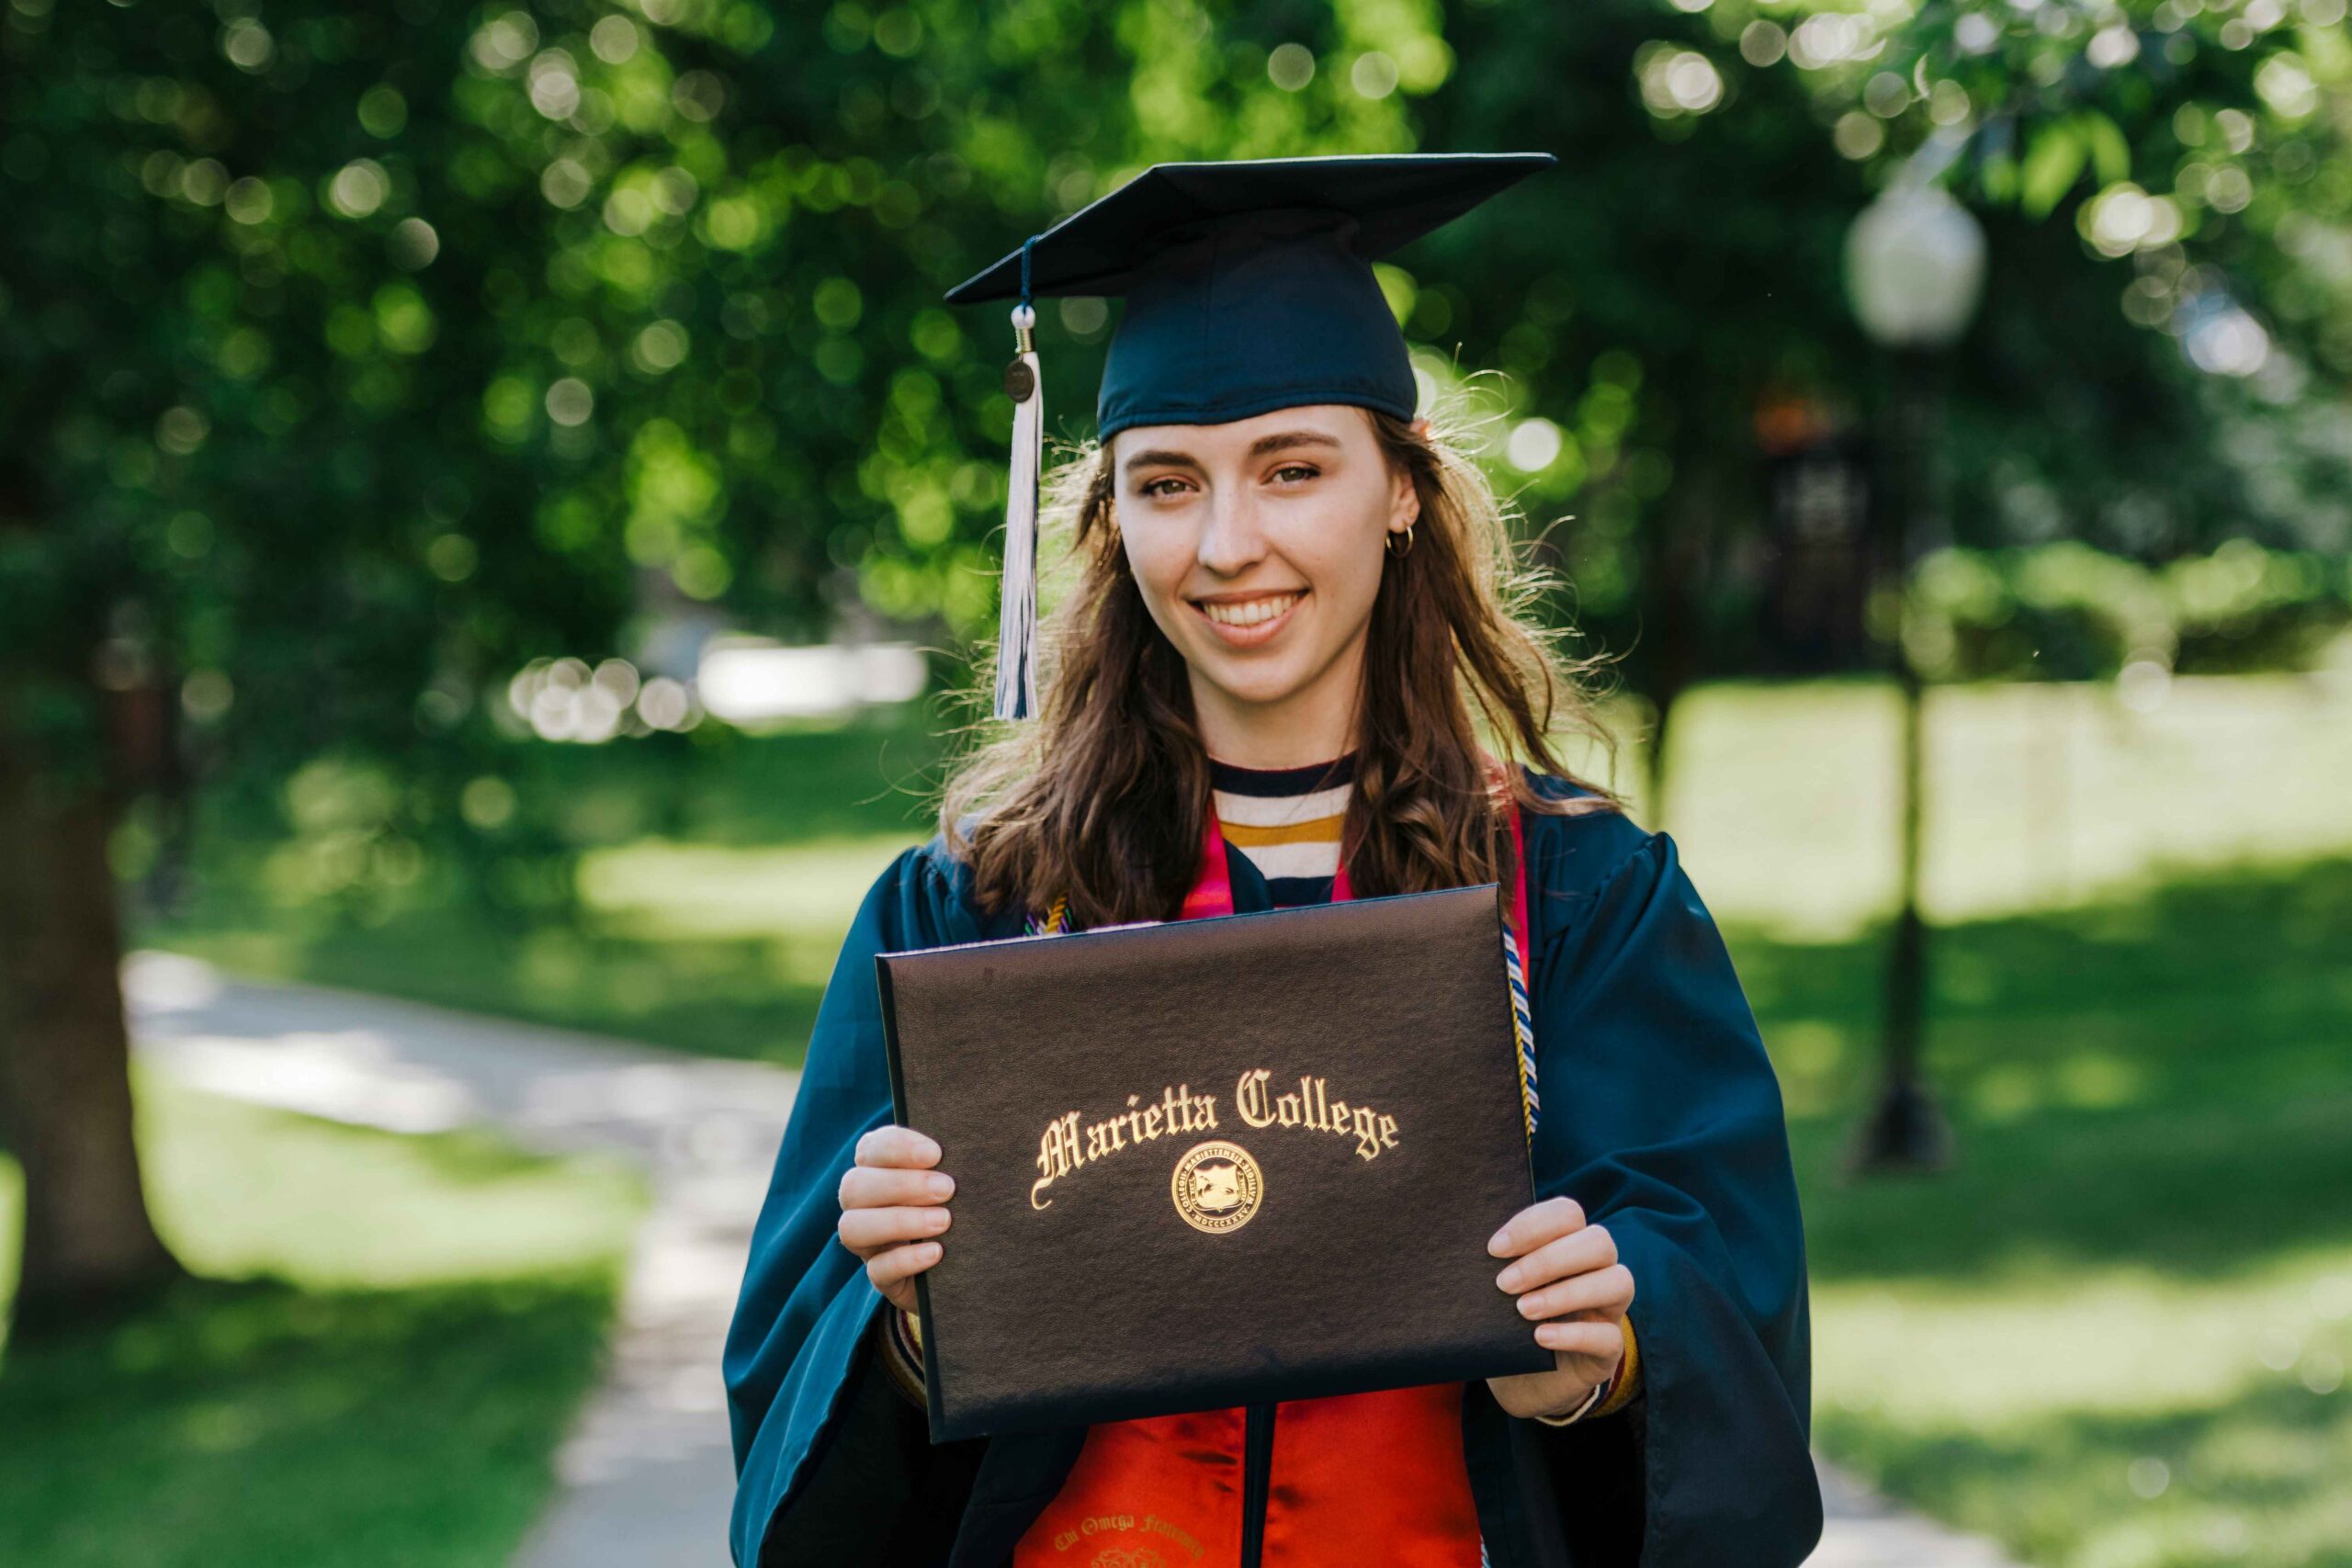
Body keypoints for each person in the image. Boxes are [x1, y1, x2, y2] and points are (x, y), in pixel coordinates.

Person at [725, 153, 1820, 1567]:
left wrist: (1608, 1354)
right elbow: (794, 1447)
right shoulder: (971, 913)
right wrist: (900, 1333)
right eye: (1168, 484)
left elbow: (1727, 1314)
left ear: (1405, 491)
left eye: (1294, 470)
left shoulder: (1581, 900)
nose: (1230, 545)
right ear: (1111, 522)